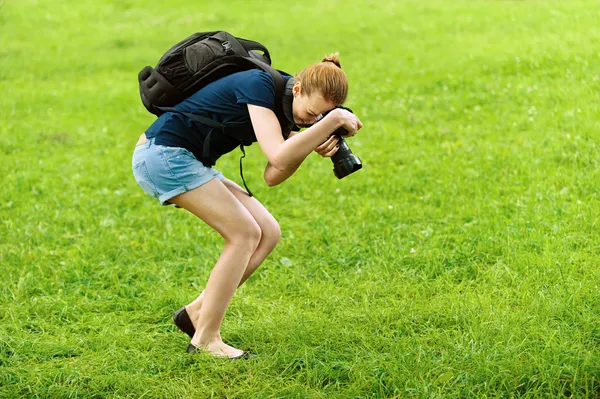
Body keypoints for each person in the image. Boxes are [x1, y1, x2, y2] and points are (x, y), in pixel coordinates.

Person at [131, 53, 362, 359]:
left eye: (320, 117)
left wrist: (309, 140)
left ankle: (197, 313)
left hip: (184, 159)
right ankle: (206, 339)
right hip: (163, 155)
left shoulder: (287, 106)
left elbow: (272, 175)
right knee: (244, 234)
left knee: (268, 231)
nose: (311, 121)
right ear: (297, 89)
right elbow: (278, 155)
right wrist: (331, 121)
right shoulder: (261, 86)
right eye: (311, 113)